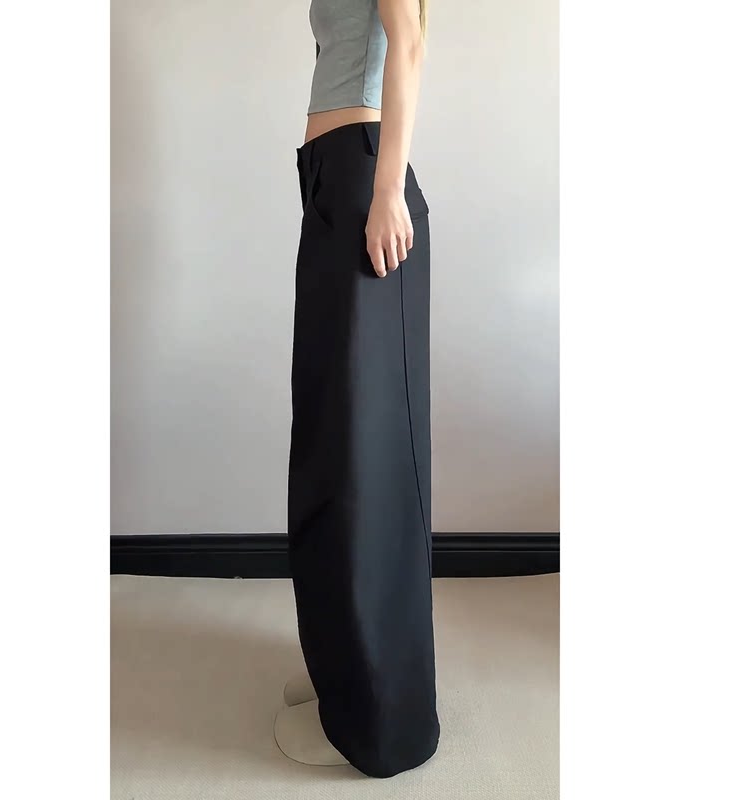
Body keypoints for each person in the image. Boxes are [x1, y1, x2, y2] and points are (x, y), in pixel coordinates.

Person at [273, 0, 439, 779]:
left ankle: (379, 719)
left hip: (367, 184)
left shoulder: (378, 187)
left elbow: (407, 43)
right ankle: (340, 667)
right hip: (333, 178)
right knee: (328, 442)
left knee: (362, 457)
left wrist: (386, 189)